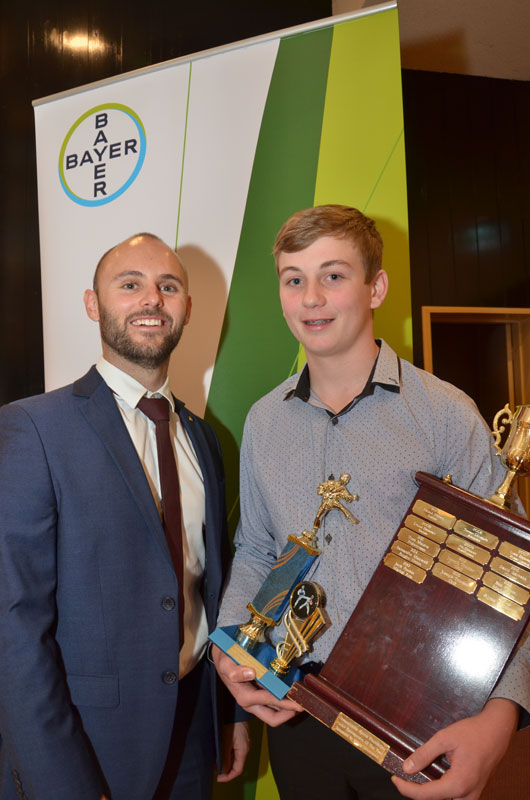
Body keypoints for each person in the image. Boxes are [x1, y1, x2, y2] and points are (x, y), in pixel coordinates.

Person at [213, 205, 530, 800]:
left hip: (416, 718)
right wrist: (233, 644)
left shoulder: (443, 414)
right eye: (293, 279)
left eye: (333, 275)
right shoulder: (263, 421)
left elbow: (510, 576)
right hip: (298, 707)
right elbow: (258, 547)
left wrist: (502, 716)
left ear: (375, 286)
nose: (311, 297)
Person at [0, 233, 249, 800]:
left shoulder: (205, 439)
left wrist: (230, 713)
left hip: (192, 735)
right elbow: (13, 628)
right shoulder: (33, 429)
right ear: (93, 304)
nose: (151, 300)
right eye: (130, 284)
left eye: (168, 287)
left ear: (186, 308)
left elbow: (212, 587)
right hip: (86, 744)